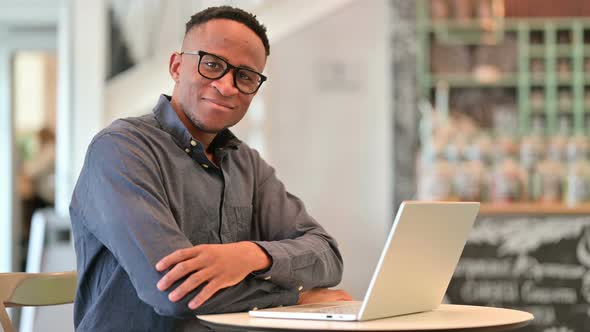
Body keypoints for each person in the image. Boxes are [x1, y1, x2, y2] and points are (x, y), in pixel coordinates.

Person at [70, 6, 351, 331]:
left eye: (245, 76)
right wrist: (296, 296)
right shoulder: (121, 149)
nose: (227, 86)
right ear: (177, 66)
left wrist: (250, 255)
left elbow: (328, 256)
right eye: (213, 64)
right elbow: (175, 292)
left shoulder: (246, 163)